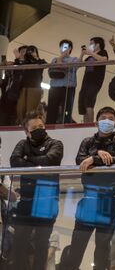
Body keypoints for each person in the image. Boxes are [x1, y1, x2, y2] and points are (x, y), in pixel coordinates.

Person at [59, 107, 115, 270]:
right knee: (76, 248)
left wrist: (93, 159)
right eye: (103, 118)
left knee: (102, 250)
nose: (107, 121)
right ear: (97, 121)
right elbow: (79, 160)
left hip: (110, 202)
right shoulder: (87, 142)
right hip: (89, 201)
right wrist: (97, 155)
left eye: (110, 118)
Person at [9, 110, 64, 270]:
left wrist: (27, 160)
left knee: (42, 244)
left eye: (41, 126)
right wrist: (39, 166)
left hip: (46, 202)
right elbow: (14, 161)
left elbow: (50, 160)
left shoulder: (56, 143)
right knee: (18, 243)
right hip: (25, 203)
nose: (39, 129)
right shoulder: (22, 144)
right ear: (27, 132)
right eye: (34, 128)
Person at [46, 39, 79, 124]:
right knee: (52, 108)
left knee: (67, 109)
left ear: (70, 48)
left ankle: (66, 125)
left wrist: (62, 58)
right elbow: (53, 68)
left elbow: (62, 66)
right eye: (61, 47)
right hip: (54, 86)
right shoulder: (55, 59)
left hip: (68, 87)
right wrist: (61, 57)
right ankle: (50, 125)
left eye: (65, 47)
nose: (63, 49)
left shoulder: (74, 59)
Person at [77, 37, 109, 123]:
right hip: (86, 81)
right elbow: (79, 65)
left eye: (92, 43)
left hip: (95, 81)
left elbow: (104, 59)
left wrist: (91, 52)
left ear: (98, 44)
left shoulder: (103, 52)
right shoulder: (90, 57)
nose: (90, 45)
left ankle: (90, 124)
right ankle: (85, 124)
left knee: (89, 101)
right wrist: (82, 54)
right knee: (83, 102)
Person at [15, 45, 47, 124]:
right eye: (30, 51)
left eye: (34, 51)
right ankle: (23, 124)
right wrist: (19, 57)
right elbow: (17, 65)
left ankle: (29, 125)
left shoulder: (39, 61)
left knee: (31, 109)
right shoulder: (25, 62)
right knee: (20, 108)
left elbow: (45, 64)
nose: (31, 53)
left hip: (35, 88)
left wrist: (36, 58)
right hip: (23, 88)